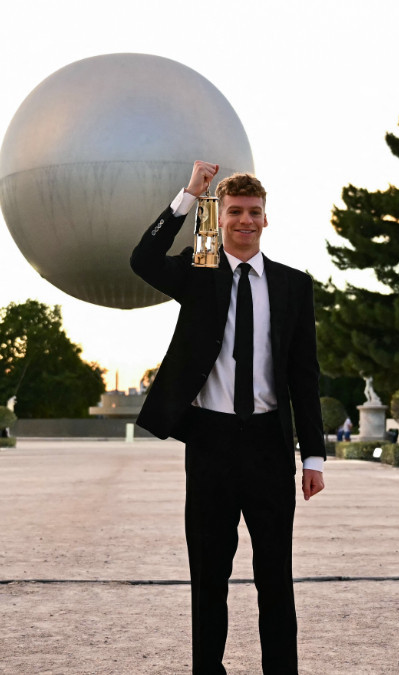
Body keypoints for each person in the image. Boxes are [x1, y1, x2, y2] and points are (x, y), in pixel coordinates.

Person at [131, 160, 325, 674]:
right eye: (234, 211)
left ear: (267, 219)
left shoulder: (292, 286)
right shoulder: (200, 273)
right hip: (211, 442)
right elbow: (143, 259)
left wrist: (316, 458)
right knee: (209, 578)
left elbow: (305, 377)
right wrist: (189, 196)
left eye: (254, 213)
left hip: (269, 445)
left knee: (275, 579)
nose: (244, 220)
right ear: (222, 216)